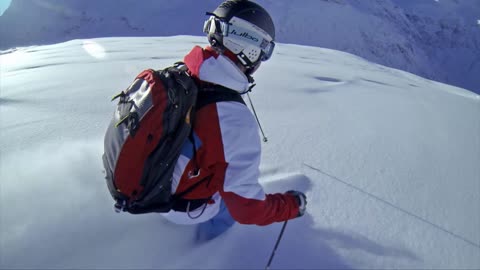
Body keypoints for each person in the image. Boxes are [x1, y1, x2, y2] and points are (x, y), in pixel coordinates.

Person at [160, 0, 307, 242]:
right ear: (249, 48)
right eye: (263, 50)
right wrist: (291, 205)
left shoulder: (183, 74)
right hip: (177, 205)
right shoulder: (231, 118)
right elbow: (247, 209)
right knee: (228, 205)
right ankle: (205, 249)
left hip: (153, 182)